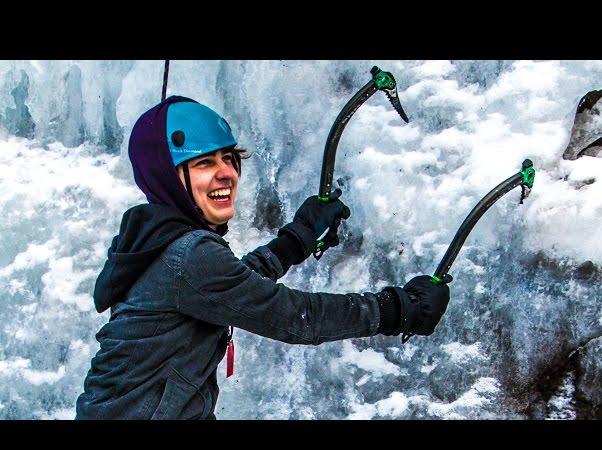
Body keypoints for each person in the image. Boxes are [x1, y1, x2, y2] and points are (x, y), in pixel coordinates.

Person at [75, 95, 450, 420]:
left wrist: (295, 239)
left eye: (228, 158)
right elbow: (295, 317)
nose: (226, 173)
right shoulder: (188, 256)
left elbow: (233, 285)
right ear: (167, 176)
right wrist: (396, 310)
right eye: (204, 163)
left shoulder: (161, 239)